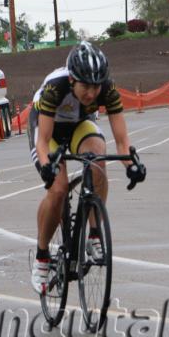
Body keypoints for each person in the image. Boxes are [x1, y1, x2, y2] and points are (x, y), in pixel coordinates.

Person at [29, 41, 146, 294]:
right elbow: (42, 141)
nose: (92, 93)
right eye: (85, 86)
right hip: (49, 130)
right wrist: (48, 166)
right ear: (72, 79)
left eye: (96, 86)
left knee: (98, 160)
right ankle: (41, 257)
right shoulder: (55, 87)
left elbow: (123, 141)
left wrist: (131, 165)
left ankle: (93, 233)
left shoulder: (107, 89)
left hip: (79, 124)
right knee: (58, 189)